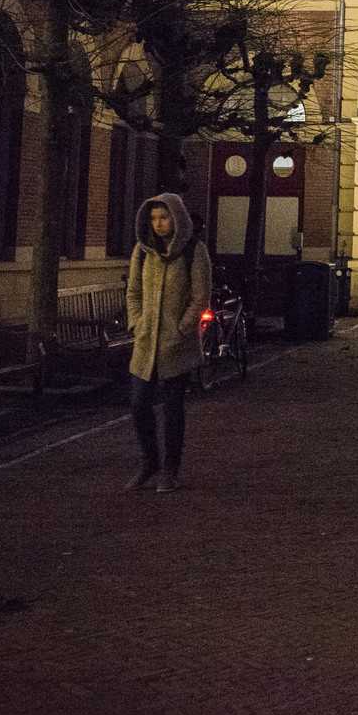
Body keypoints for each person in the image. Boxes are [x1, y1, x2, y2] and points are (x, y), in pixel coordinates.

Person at [125, 192, 212, 492]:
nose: (158, 224)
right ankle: (150, 460)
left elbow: (200, 296)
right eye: (153, 218)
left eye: (164, 217)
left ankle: (170, 470)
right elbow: (133, 291)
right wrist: (137, 322)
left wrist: (182, 329)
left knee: (173, 409)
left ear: (176, 218)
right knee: (138, 404)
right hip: (146, 342)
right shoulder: (143, 251)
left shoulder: (193, 251)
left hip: (176, 347)